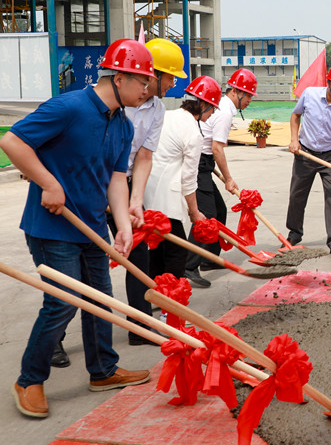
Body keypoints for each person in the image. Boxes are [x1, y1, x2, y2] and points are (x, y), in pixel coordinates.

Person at [0, 38, 154, 419]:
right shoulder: (68, 107)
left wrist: (122, 226)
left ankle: (102, 371)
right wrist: (49, 184)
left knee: (101, 299)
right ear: (119, 78)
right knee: (63, 301)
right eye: (142, 82)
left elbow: (118, 180)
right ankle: (29, 379)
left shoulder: (122, 126)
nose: (147, 90)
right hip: (51, 226)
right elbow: (13, 141)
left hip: (91, 227)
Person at [106, 37, 186, 347]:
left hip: (122, 182)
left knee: (138, 252)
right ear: (152, 74)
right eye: (170, 77)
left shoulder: (157, 110)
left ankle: (140, 326)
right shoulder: (114, 104)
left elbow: (144, 157)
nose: (172, 83)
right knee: (83, 260)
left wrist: (135, 200)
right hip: (92, 183)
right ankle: (56, 335)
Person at [143, 76, 221, 285]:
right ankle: (171, 298)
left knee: (158, 247)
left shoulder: (167, 115)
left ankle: (155, 294)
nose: (212, 113)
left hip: (147, 190)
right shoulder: (194, 133)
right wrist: (195, 212)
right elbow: (189, 179)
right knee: (177, 251)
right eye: (212, 108)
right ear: (203, 104)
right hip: (167, 195)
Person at [184, 68, 256, 288]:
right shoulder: (224, 111)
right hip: (198, 162)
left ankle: (209, 258)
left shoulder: (224, 108)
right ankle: (188, 265)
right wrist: (228, 178)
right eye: (248, 95)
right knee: (205, 216)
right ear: (235, 91)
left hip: (204, 163)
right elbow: (217, 149)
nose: (250, 101)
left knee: (220, 210)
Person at [287, 62, 331, 259]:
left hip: (330, 156)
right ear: (329, 82)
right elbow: (295, 116)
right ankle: (294, 234)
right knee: (297, 196)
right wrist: (294, 140)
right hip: (305, 153)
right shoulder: (309, 95)